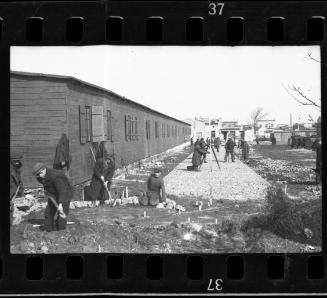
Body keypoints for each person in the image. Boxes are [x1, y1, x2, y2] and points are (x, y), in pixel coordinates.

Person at [33, 162, 74, 232]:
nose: (38, 176)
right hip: (53, 193)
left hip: (65, 193)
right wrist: (48, 192)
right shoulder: (40, 177)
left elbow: (62, 190)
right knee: (49, 211)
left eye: (39, 174)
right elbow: (45, 184)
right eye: (37, 175)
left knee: (62, 213)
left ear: (43, 169)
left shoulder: (55, 176)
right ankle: (48, 229)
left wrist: (60, 204)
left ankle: (61, 229)